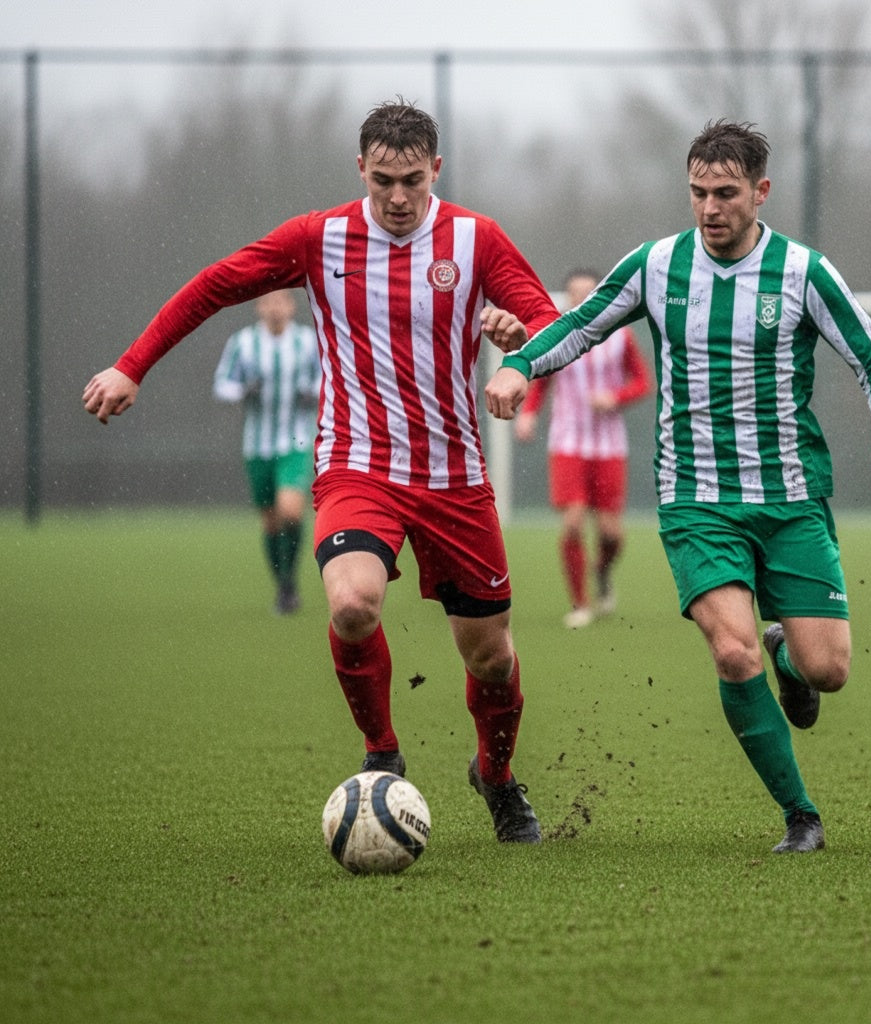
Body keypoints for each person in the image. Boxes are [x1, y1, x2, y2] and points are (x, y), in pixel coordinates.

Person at [83, 98, 560, 844]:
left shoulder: (476, 239)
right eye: (381, 181)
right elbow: (215, 284)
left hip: (454, 476)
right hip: (356, 465)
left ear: (436, 169)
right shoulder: (320, 237)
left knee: (491, 657)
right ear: (359, 171)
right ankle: (382, 756)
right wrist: (131, 364)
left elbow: (556, 323)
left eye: (411, 180)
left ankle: (495, 777)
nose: (397, 198)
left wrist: (522, 346)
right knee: (351, 606)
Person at [486, 119, 871, 854]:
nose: (709, 207)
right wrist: (519, 366)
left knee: (830, 669)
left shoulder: (802, 272)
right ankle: (801, 816)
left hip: (789, 501)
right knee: (731, 651)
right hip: (696, 501)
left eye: (725, 193)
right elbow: (584, 324)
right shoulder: (659, 265)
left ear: (761, 191)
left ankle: (791, 657)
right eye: (697, 192)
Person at [514, 268, 652, 629]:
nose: (581, 299)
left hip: (609, 447)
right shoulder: (558, 335)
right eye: (574, 293)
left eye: (589, 293)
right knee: (573, 524)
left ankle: (601, 572)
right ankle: (580, 603)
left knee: (611, 535)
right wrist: (528, 415)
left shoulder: (620, 336)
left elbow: (641, 382)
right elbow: (541, 381)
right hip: (568, 442)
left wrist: (615, 397)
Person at [213, 289, 321, 614]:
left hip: (296, 441)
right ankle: (284, 586)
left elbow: (328, 378)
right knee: (271, 522)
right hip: (257, 444)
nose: (275, 308)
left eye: (281, 302)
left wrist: (310, 393)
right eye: (268, 302)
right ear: (259, 307)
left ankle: (289, 581)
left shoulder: (308, 342)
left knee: (291, 511)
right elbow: (222, 384)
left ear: (291, 306)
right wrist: (244, 390)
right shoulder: (243, 343)